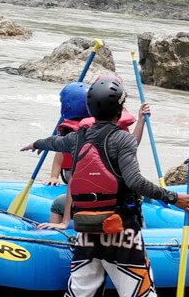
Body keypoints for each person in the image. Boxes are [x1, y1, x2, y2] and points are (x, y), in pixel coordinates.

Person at [22, 76, 189, 297]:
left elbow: (55, 142)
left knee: (78, 288)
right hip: (121, 230)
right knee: (141, 292)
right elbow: (136, 182)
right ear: (120, 109)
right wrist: (173, 198)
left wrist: (36, 143)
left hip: (86, 229)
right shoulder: (122, 140)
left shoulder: (79, 137)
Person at [47, 79, 149, 225]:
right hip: (114, 189)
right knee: (136, 196)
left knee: (57, 204)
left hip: (97, 191)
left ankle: (56, 236)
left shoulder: (80, 135)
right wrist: (54, 176)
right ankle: (142, 229)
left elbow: (72, 175)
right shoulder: (114, 133)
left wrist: (64, 222)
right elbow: (133, 143)